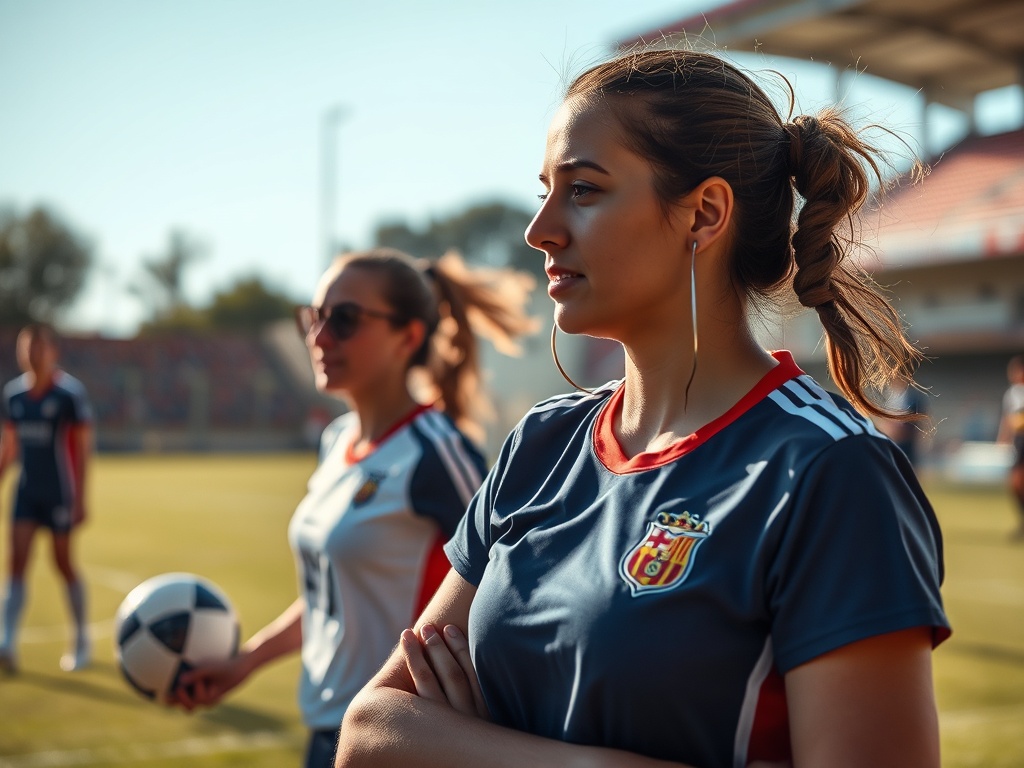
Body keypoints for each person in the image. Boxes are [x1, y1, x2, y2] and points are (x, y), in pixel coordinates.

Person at [335, 48, 950, 768]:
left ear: (704, 213)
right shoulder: (542, 443)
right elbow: (370, 731)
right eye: (545, 192)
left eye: (584, 191)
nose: (540, 231)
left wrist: (465, 744)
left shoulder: (829, 472)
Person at [170, 248, 536, 768]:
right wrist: (244, 663)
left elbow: (510, 590)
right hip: (329, 734)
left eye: (343, 319)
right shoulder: (336, 441)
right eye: (313, 317)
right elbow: (334, 595)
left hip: (400, 739)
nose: (319, 337)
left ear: (408, 336)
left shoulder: (437, 452)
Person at [0, 323, 94, 674]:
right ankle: (7, 642)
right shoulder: (13, 396)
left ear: (53, 352)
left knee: (63, 564)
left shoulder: (69, 395)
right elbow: (9, 447)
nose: (33, 355)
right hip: (26, 491)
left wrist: (81, 498)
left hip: (59, 492)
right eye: (27, 348)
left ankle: (81, 640)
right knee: (16, 564)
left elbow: (83, 449)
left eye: (40, 348)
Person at [998, 354, 1024, 539]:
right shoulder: (1012, 393)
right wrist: (1003, 438)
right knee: (1015, 484)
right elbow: (1008, 419)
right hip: (1020, 443)